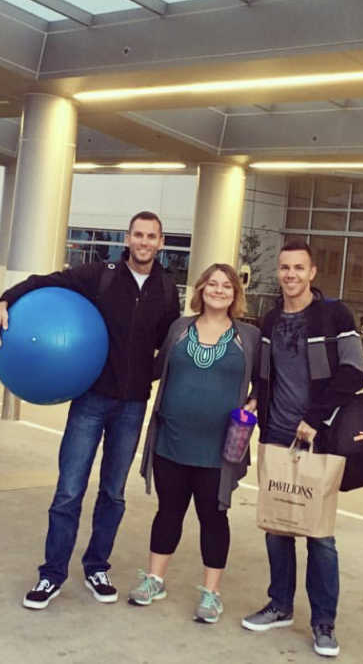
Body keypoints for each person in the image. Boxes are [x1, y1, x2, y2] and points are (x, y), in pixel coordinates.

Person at [0, 211, 179, 610]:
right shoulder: (102, 274)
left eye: (152, 237)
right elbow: (47, 282)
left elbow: (170, 342)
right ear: (128, 238)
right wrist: (4, 300)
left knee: (113, 493)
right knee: (69, 491)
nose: (144, 242)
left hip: (132, 405)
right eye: (138, 235)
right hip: (91, 400)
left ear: (161, 243)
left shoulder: (166, 287)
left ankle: (97, 566)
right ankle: (51, 574)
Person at [242, 239, 363, 658]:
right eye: (284, 268)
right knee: (277, 525)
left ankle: (323, 623)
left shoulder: (334, 315)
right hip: (275, 437)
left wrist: (315, 418)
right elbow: (264, 374)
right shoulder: (272, 319)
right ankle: (279, 604)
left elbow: (353, 373)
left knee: (319, 535)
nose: (290, 275)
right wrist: (256, 400)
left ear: (313, 273)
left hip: (320, 438)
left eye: (298, 268)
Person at [129, 263, 260, 624]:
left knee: (213, 518)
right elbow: (154, 368)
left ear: (235, 294)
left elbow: (266, 378)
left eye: (226, 286)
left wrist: (256, 401)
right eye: (212, 284)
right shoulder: (179, 329)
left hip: (220, 448)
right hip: (172, 440)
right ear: (200, 290)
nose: (218, 290)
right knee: (169, 510)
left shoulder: (247, 336)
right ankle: (154, 579)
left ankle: (211, 594)